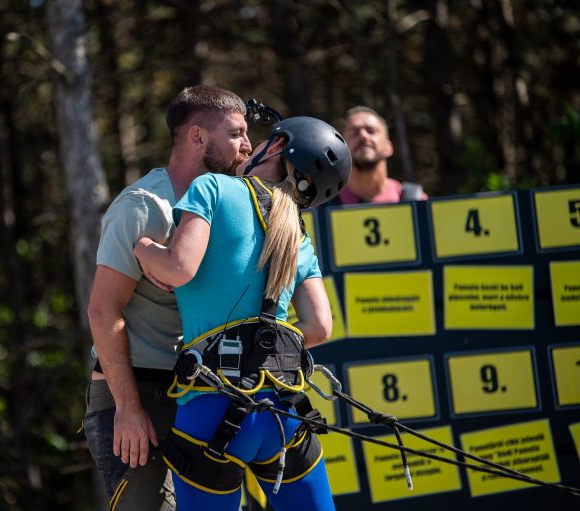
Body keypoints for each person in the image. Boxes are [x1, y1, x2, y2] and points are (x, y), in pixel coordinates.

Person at [133, 116, 351, 510]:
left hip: (210, 410)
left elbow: (178, 268)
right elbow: (320, 326)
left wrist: (144, 247)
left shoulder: (213, 187)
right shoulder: (297, 233)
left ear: (280, 148)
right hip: (285, 414)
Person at [85, 85, 252, 511]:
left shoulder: (224, 206)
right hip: (141, 391)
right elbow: (103, 310)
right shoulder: (144, 206)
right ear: (197, 137)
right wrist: (127, 408)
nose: (247, 146)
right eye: (236, 133)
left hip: (199, 393)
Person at [335, 106, 427, 204]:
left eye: (371, 131)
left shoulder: (417, 202)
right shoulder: (321, 208)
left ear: (388, 147)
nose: (363, 136)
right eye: (354, 133)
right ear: (342, 149)